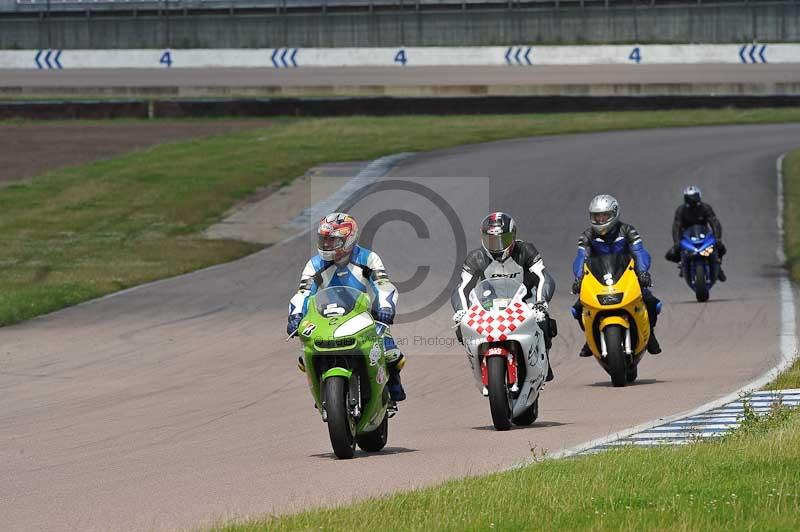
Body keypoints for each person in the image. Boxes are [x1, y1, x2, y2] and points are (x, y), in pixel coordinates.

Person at [287, 212, 406, 401]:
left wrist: (385, 308)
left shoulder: (368, 258)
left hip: (365, 315)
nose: (326, 244)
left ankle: (392, 385)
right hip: (326, 316)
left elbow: (383, 285)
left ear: (348, 239)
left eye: (332, 240)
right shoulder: (314, 264)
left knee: (392, 354)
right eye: (324, 239)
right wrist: (295, 316)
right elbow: (303, 292)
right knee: (304, 358)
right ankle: (323, 395)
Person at [451, 212, 557, 382]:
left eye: (503, 239)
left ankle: (544, 361)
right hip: (489, 306)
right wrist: (461, 311)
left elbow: (544, 277)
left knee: (544, 322)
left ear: (513, 236)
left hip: (524, 303)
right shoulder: (475, 258)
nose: (497, 246)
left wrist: (541, 303)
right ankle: (480, 361)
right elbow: (462, 288)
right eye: (491, 240)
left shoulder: (526, 250)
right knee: (461, 328)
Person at [571, 195, 662, 357]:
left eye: (604, 216)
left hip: (627, 277)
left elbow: (640, 252)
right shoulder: (587, 236)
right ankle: (589, 337)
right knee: (578, 308)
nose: (600, 220)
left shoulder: (628, 231)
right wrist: (579, 278)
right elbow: (581, 258)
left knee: (651, 303)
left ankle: (650, 334)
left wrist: (643, 272)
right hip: (598, 280)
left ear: (615, 214)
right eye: (596, 216)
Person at [665, 185, 726, 281]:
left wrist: (717, 237)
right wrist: (677, 242)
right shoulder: (681, 210)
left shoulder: (706, 208)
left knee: (721, 247)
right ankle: (682, 262)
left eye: (694, 197)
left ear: (699, 196)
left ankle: (718, 266)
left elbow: (714, 223)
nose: (692, 200)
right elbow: (676, 227)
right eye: (689, 198)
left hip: (704, 236)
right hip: (687, 237)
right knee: (670, 254)